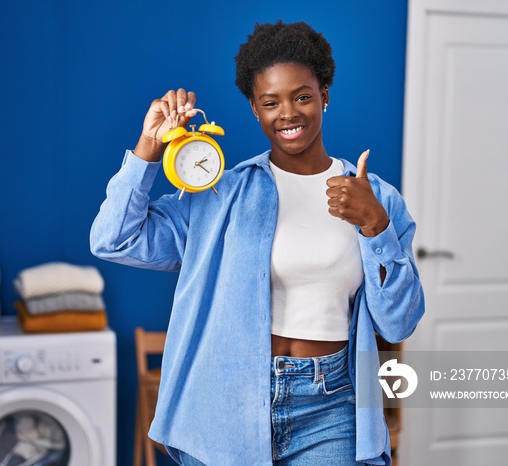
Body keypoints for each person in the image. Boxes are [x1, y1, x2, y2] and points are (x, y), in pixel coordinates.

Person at [90, 20, 424, 466]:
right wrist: (149, 147)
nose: (288, 113)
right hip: (224, 402)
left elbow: (398, 323)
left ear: (324, 93)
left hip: (330, 403)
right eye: (271, 102)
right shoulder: (219, 195)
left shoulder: (375, 197)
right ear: (254, 108)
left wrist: (376, 228)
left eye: (302, 96)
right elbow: (114, 239)